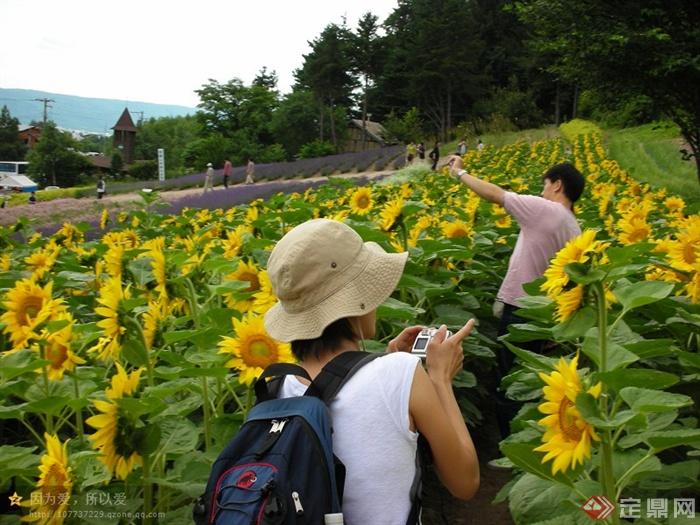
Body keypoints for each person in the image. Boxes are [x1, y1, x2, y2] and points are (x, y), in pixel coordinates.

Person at [264, 219, 480, 524]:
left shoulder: (276, 390)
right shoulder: (399, 374)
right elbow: (465, 482)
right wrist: (440, 379)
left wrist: (386, 362)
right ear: (355, 300)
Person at [445, 155, 585, 444]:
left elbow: (495, 194)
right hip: (546, 315)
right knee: (534, 380)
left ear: (557, 185)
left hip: (522, 309)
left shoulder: (547, 210)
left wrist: (460, 173)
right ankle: (533, 438)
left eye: (544, 185)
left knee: (509, 382)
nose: (541, 191)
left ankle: (511, 447)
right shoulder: (574, 227)